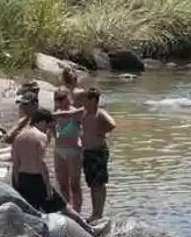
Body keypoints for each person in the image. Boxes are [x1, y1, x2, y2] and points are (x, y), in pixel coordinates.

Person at [11, 105, 102, 235]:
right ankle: (90, 230)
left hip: (23, 178)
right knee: (65, 208)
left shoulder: (18, 137)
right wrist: (48, 187)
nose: (47, 129)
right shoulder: (40, 136)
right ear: (41, 121)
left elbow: (15, 163)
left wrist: (15, 184)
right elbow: (41, 163)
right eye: (47, 125)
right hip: (38, 179)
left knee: (30, 212)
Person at [81, 88, 116, 222]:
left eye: (86, 99)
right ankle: (94, 212)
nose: (84, 102)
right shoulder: (85, 114)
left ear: (94, 100)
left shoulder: (100, 113)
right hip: (87, 152)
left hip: (98, 152)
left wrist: (102, 132)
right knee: (91, 183)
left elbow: (112, 124)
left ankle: (99, 213)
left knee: (99, 184)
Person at [52, 87, 86, 213]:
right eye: (57, 99)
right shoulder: (55, 113)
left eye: (62, 98)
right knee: (63, 186)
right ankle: (67, 210)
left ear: (69, 98)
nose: (60, 101)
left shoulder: (75, 112)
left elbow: (76, 116)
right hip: (59, 151)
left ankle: (78, 211)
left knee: (75, 185)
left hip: (73, 151)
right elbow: (54, 134)